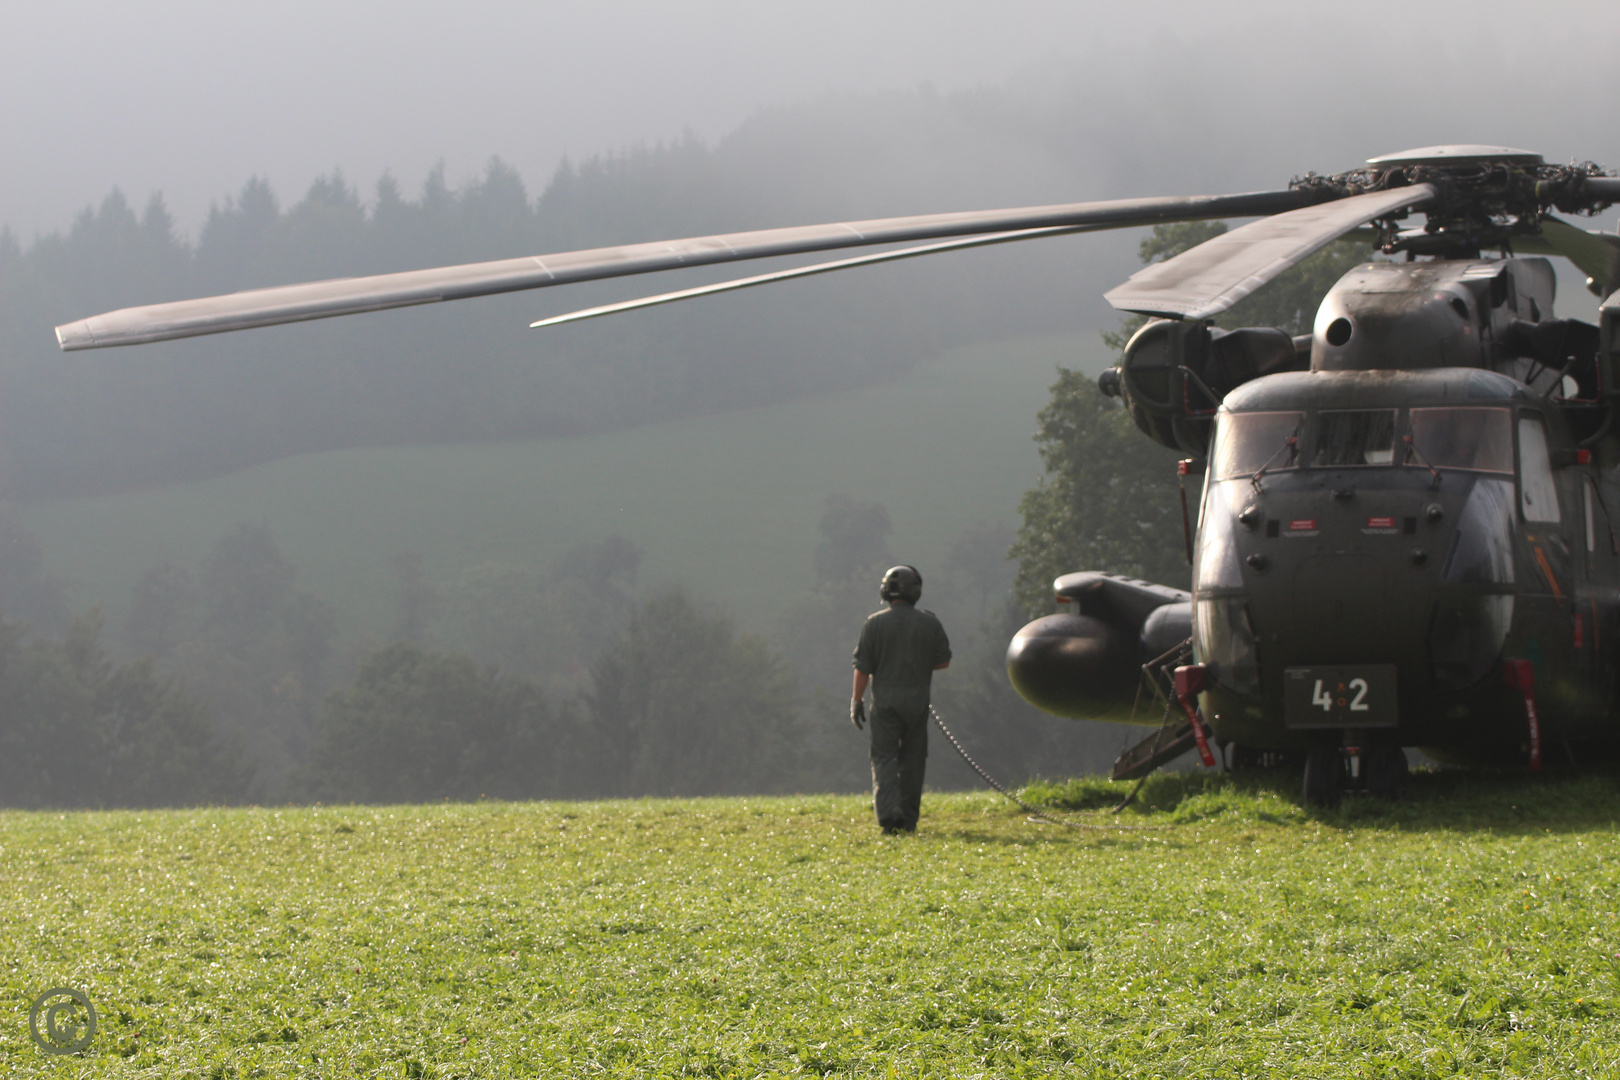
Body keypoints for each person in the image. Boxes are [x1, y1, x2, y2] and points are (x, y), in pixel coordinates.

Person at [851, 565, 951, 834]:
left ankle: (888, 814)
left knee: (884, 757)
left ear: (885, 591)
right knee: (913, 760)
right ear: (916, 591)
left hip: (884, 703)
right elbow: (943, 661)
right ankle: (908, 820)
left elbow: (862, 667)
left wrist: (856, 701)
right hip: (917, 703)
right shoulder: (929, 622)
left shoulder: (874, 623)